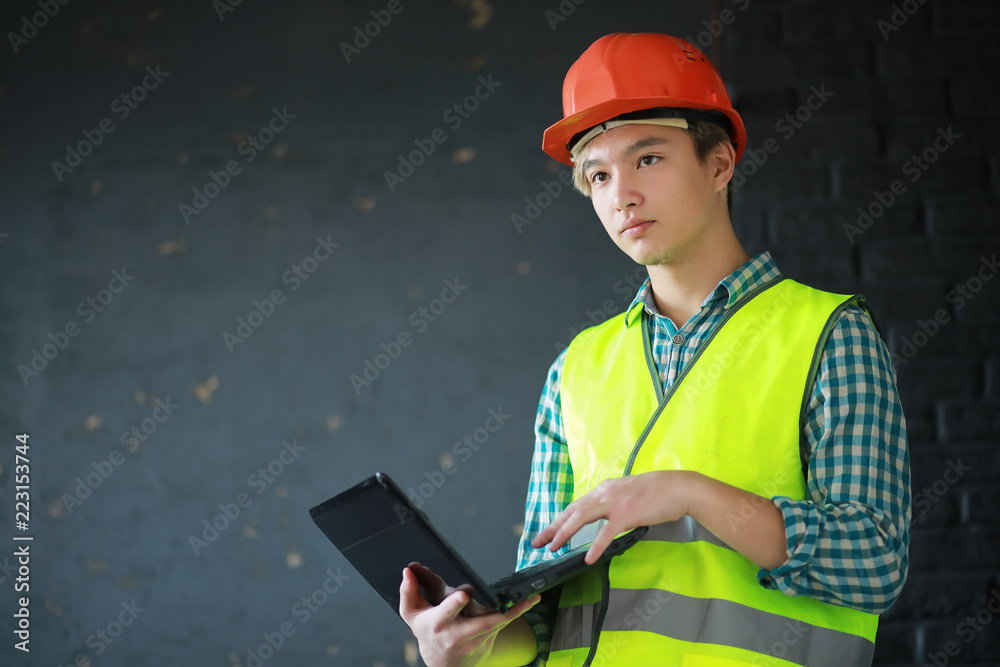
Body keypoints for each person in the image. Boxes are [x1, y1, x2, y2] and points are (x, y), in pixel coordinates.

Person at [400, 32, 910, 667]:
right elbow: (546, 616)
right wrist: (466, 649)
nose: (622, 196)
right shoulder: (576, 369)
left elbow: (875, 565)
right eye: (598, 175)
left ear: (720, 163)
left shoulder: (827, 334)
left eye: (648, 159)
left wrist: (692, 493)